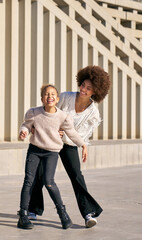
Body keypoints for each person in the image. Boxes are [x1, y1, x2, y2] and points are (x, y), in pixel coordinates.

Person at [28, 66, 111, 228]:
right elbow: (48, 113)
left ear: (95, 91)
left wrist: (63, 134)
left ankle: (88, 213)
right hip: (48, 141)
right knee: (39, 175)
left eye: (88, 88)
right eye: (83, 85)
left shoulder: (93, 114)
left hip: (69, 144)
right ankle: (33, 210)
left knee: (76, 176)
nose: (83, 90)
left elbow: (80, 136)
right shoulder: (65, 97)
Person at [17, 84, 88, 230]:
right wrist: (23, 131)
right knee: (28, 181)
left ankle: (63, 214)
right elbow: (26, 125)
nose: (50, 97)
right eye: (46, 94)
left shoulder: (63, 116)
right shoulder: (34, 112)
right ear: (42, 98)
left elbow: (72, 133)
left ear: (57, 99)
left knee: (49, 182)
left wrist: (83, 145)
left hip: (51, 153)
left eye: (53, 94)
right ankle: (23, 216)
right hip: (35, 150)